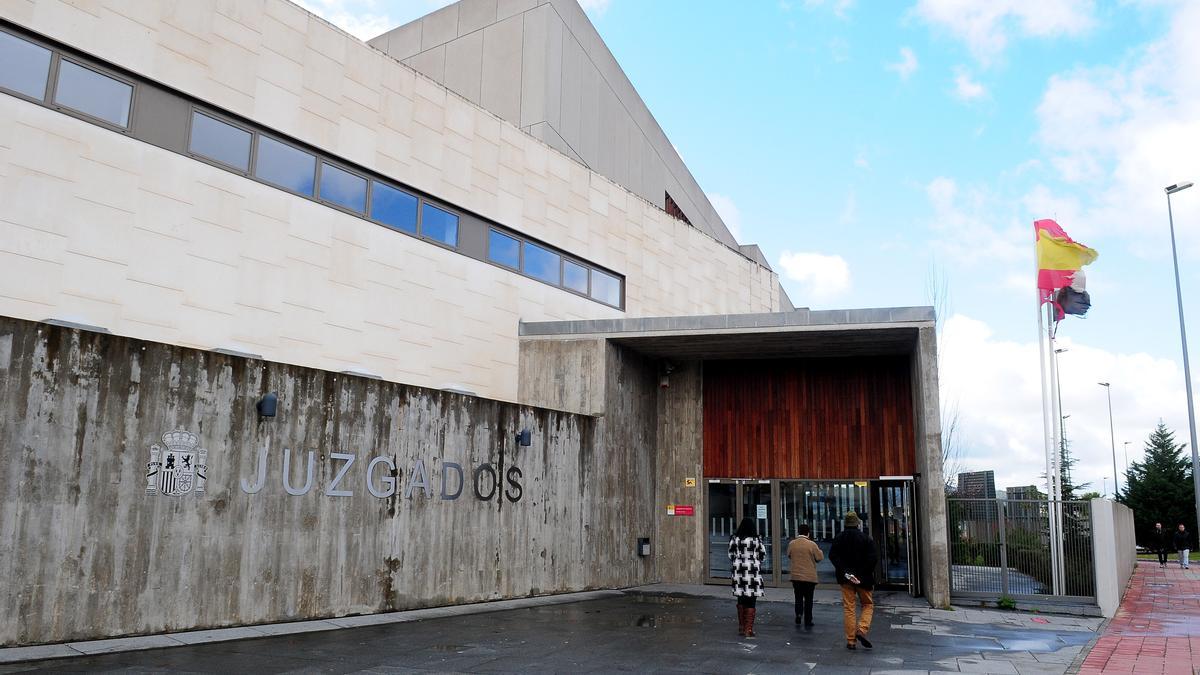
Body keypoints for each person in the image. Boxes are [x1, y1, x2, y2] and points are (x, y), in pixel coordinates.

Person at [829, 511, 878, 651]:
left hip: (846, 579)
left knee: (849, 608)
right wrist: (861, 575)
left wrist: (846, 572)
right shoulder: (866, 539)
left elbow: (833, 556)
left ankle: (851, 641)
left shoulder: (839, 538)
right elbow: (872, 559)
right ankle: (861, 629)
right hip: (863, 579)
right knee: (867, 604)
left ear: (845, 523)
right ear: (857, 523)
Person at [729, 517, 766, 638]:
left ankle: (741, 626)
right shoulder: (757, 540)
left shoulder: (735, 539)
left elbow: (730, 554)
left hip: (739, 572)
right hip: (752, 572)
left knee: (741, 598)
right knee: (751, 600)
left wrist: (739, 559)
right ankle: (748, 629)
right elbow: (763, 555)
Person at [787, 523, 824, 627]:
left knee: (798, 597)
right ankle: (808, 620)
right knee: (808, 599)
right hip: (809, 577)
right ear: (808, 532)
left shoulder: (792, 543)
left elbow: (789, 554)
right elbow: (819, 558)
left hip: (796, 576)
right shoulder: (812, 544)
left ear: (798, 532)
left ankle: (798, 614)